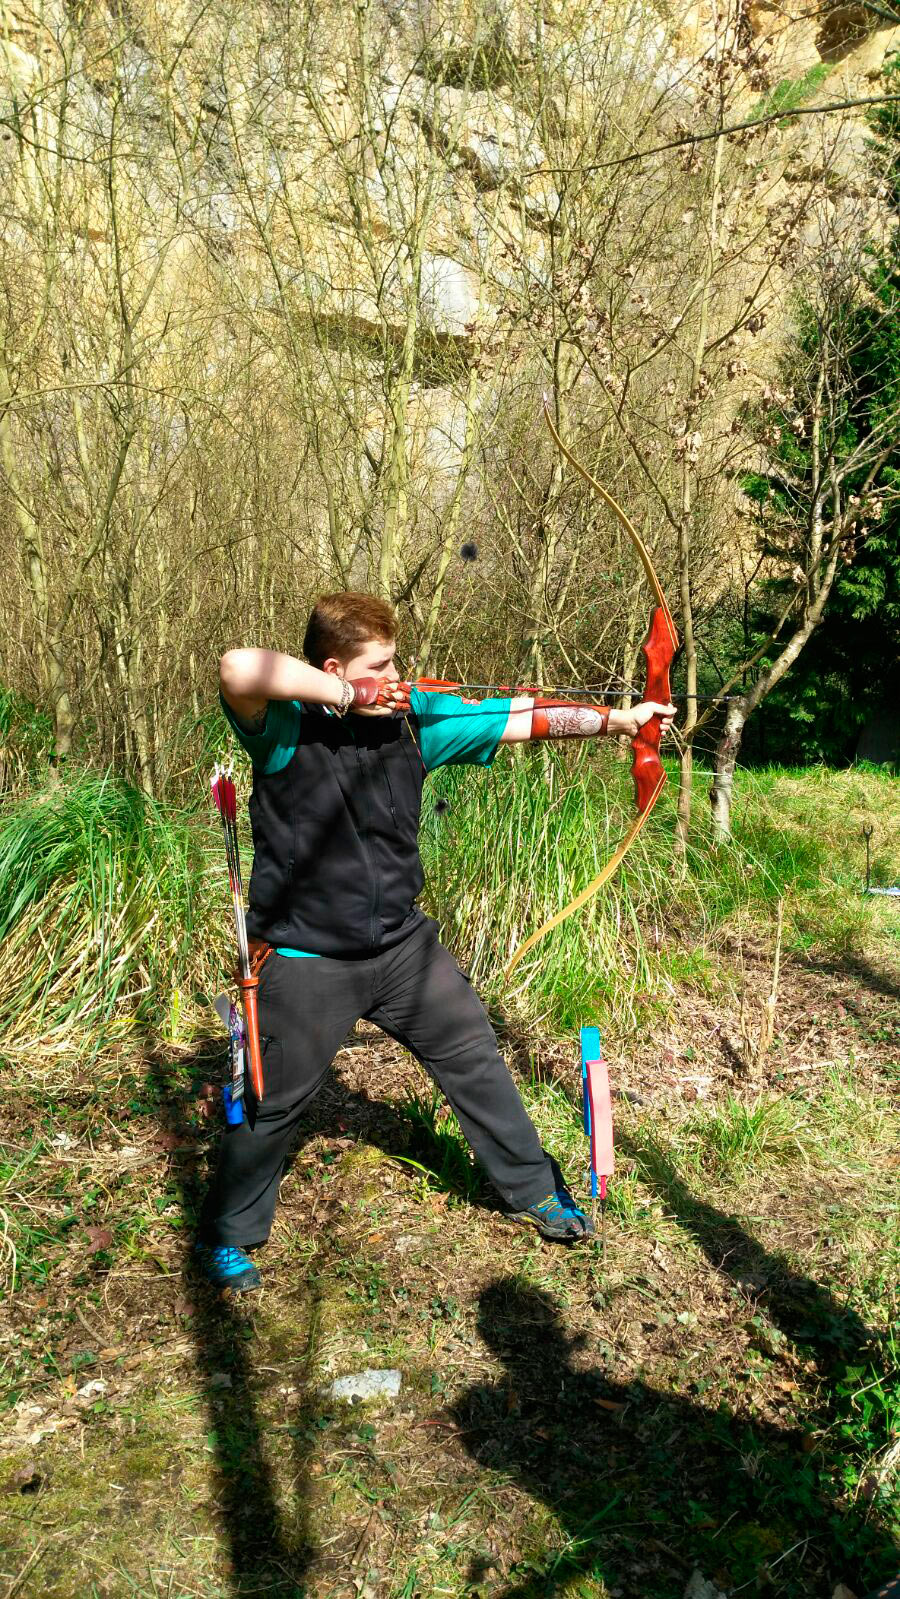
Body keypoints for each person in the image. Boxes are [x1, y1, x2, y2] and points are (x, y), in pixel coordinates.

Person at [196, 591, 675, 1290]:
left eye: (395, 662)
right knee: (273, 1103)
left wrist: (620, 720)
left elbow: (520, 718)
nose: (396, 676)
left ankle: (535, 1189)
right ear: (333, 668)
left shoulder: (413, 721)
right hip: (305, 958)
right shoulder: (284, 729)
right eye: (379, 666)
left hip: (402, 948)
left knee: (474, 1053)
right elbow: (237, 667)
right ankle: (227, 1233)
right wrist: (348, 697)